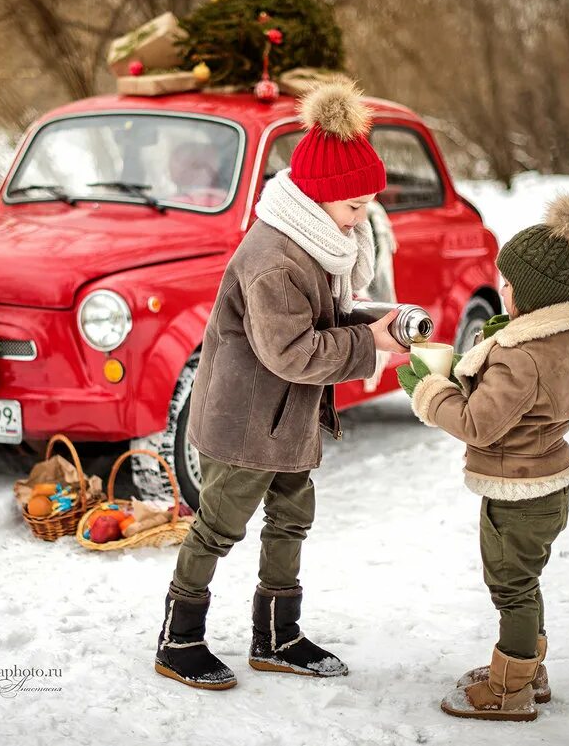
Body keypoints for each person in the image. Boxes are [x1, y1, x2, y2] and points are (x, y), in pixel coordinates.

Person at [154, 79, 408, 690]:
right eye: (354, 208)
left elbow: (317, 323)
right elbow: (292, 351)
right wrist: (368, 347)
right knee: (217, 525)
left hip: (287, 417)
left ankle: (277, 636)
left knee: (292, 517)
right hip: (247, 422)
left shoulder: (318, 245)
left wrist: (375, 322)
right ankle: (179, 638)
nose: (362, 220)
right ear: (319, 200)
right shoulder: (273, 258)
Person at [398, 193, 569, 721]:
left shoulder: (523, 357)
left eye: (508, 283)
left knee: (510, 587)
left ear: (532, 297)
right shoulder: (560, 337)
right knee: (524, 583)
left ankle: (509, 688)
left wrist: (431, 391)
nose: (502, 289)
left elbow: (477, 424)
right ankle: (529, 671)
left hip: (518, 494)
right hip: (546, 484)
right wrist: (497, 346)